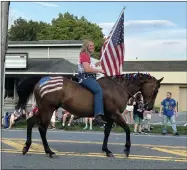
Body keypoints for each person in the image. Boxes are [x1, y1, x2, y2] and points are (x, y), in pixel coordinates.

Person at [77, 40, 106, 125]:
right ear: (86, 47)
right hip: (86, 78)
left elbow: (90, 67)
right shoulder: (85, 55)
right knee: (98, 90)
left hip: (90, 78)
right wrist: (99, 70)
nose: (92, 47)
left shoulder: (87, 57)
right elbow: (87, 69)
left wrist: (95, 65)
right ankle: (98, 115)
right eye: (90, 46)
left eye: (93, 46)